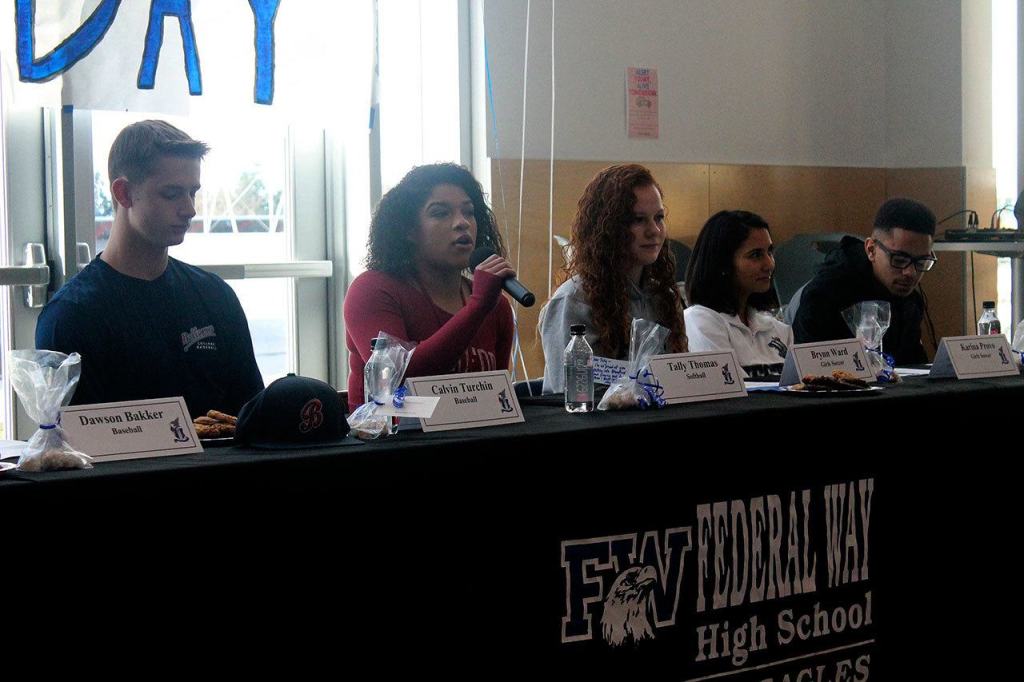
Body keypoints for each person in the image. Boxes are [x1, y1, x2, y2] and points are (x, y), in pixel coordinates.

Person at [35, 120, 264, 417]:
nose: (190, 209)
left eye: (193, 192)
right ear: (124, 193)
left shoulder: (216, 296)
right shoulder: (71, 316)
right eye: (171, 194)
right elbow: (79, 439)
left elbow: (253, 417)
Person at [343, 163, 515, 411]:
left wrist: (481, 304)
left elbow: (496, 401)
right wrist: (477, 307)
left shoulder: (496, 306)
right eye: (440, 213)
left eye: (469, 212)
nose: (462, 223)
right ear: (408, 230)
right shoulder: (372, 290)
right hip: (393, 435)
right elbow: (397, 378)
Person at [539, 164, 686, 393]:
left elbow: (681, 380)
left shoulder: (663, 297)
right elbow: (573, 395)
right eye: (638, 220)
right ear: (607, 228)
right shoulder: (573, 301)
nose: (654, 231)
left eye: (659, 217)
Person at [791, 198, 936, 364]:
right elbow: (810, 367)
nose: (910, 272)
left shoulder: (911, 301)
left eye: (921, 262)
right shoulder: (825, 293)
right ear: (871, 249)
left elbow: (914, 366)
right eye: (899, 259)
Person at [683, 210, 792, 379]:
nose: (769, 264)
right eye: (756, 255)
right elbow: (728, 385)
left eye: (770, 252)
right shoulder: (700, 321)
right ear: (723, 263)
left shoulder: (778, 329)